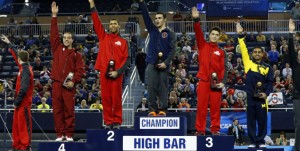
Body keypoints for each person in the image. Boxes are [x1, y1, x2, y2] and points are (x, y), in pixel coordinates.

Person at [89, 0, 130, 129]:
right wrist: (92, 6)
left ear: (119, 26)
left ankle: (117, 121)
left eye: (115, 24)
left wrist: (118, 71)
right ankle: (108, 121)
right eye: (111, 24)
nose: (112, 25)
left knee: (116, 99)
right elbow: (96, 22)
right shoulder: (103, 37)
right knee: (106, 99)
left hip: (117, 74)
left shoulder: (123, 42)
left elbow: (127, 59)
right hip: (104, 73)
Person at [50, 2, 85, 142]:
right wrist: (54, 16)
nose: (66, 39)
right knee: (57, 112)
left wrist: (73, 81)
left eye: (69, 38)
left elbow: (80, 70)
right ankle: (60, 135)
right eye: (64, 38)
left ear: (72, 40)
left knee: (69, 111)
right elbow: (53, 35)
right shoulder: (57, 49)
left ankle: (69, 135)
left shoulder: (77, 55)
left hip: (68, 86)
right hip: (57, 84)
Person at [236, 22, 274, 148]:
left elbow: (270, 83)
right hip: (250, 97)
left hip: (262, 98)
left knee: (262, 120)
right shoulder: (248, 64)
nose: (257, 53)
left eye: (259, 52)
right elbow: (243, 49)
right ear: (252, 54)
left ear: (263, 54)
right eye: (255, 52)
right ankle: (253, 141)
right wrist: (240, 35)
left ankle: (261, 141)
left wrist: (266, 94)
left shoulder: (268, 68)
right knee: (251, 120)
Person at [191, 7, 228, 135]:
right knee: (201, 107)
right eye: (213, 34)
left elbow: (224, 68)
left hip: (216, 83)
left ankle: (215, 129)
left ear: (219, 37)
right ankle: (200, 130)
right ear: (209, 35)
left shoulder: (222, 52)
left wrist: (223, 81)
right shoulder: (202, 45)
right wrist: (196, 20)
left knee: (215, 108)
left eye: (217, 35)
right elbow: (197, 32)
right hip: (203, 81)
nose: (214, 36)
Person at [139, 0, 176, 116]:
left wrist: (166, 62)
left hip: (164, 64)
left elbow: (173, 50)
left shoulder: (170, 34)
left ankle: (163, 110)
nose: (157, 20)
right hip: (151, 63)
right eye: (156, 18)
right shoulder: (152, 30)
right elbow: (145, 16)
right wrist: (141, 3)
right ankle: (152, 110)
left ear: (164, 19)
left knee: (163, 88)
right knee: (151, 87)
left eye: (159, 18)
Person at [1, 34, 34, 151]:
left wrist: (17, 101)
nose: (17, 59)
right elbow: (16, 54)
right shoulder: (23, 67)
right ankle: (17, 146)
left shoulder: (25, 70)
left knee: (24, 126)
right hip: (20, 103)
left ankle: (25, 146)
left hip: (23, 103)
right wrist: (9, 43)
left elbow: (24, 88)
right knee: (17, 126)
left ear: (21, 60)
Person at [288, 19, 300, 151]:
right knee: (299, 124)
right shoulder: (295, 65)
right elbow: (291, 51)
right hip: (298, 98)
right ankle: (297, 148)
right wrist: (291, 33)